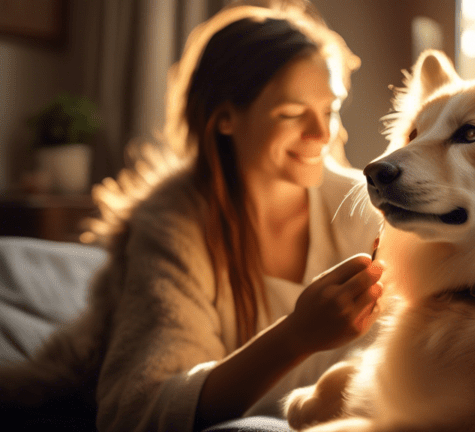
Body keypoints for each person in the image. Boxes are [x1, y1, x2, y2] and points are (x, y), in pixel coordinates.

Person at [0, 2, 384, 431]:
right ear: (224, 119)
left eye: (330, 110)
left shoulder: (367, 208)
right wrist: (295, 336)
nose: (321, 133)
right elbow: (135, 409)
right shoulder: (174, 226)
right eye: (292, 114)